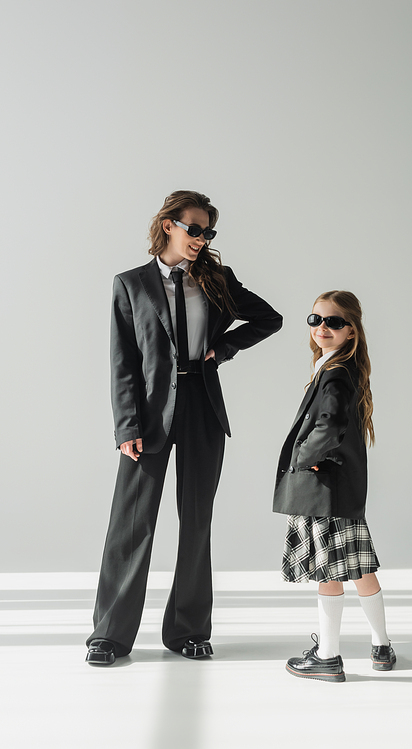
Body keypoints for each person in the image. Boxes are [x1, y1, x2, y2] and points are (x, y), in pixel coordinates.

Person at [86, 190, 282, 665]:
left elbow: (268, 318)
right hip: (149, 414)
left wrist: (225, 348)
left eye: (208, 231)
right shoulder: (130, 284)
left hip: (201, 406)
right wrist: (126, 425)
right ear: (169, 224)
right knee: (131, 525)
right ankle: (109, 635)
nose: (201, 238)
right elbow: (123, 363)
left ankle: (189, 631)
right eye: (194, 228)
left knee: (196, 521)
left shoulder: (216, 280)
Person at [273, 290, 395, 682]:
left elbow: (331, 425)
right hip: (341, 488)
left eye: (334, 322)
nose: (322, 328)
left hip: (325, 488)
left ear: (351, 332)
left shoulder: (335, 374)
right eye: (315, 320)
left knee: (329, 573)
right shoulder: (337, 369)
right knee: (359, 568)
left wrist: (302, 457)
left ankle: (327, 656)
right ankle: (381, 647)